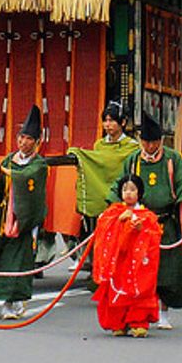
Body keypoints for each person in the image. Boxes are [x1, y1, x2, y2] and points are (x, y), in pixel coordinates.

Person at [116, 112, 182, 330]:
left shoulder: (172, 159)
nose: (149, 146)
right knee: (137, 271)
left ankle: (164, 314)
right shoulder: (133, 161)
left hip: (165, 224)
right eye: (146, 141)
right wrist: (111, 208)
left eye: (154, 141)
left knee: (166, 271)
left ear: (161, 141)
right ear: (140, 141)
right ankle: (138, 314)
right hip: (137, 225)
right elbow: (118, 186)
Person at [67, 101, 140, 277]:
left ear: (122, 122)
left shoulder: (133, 147)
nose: (107, 125)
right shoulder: (99, 145)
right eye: (105, 121)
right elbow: (96, 166)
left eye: (112, 120)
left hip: (125, 197)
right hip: (100, 195)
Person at [0, 106, 49, 321]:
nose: (23, 142)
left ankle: (15, 300)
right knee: (0, 258)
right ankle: (7, 299)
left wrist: (8, 173)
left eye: (28, 139)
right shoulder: (9, 160)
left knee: (19, 260)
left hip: (24, 220)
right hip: (5, 217)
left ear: (36, 141)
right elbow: (0, 184)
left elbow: (27, 177)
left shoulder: (39, 164)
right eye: (21, 137)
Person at [90, 173, 161, 337]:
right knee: (118, 289)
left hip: (138, 262)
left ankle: (138, 322)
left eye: (132, 190)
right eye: (125, 190)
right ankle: (118, 323)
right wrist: (119, 222)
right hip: (120, 260)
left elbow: (154, 235)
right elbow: (104, 228)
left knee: (139, 289)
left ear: (139, 193)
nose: (128, 193)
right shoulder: (113, 213)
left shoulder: (148, 216)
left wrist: (139, 229)